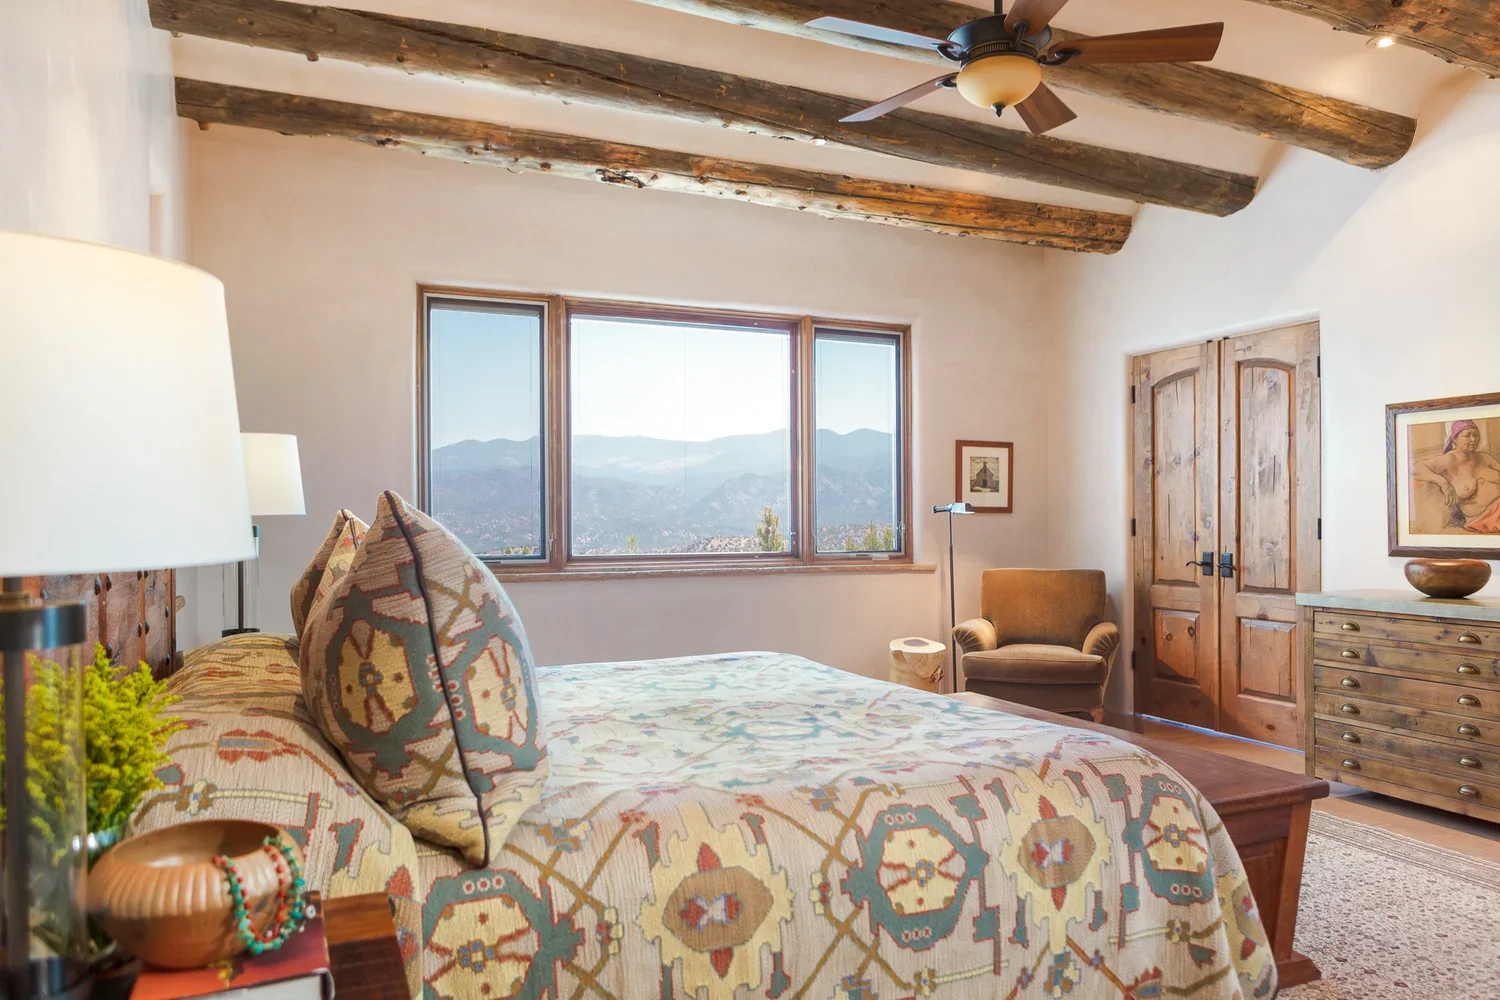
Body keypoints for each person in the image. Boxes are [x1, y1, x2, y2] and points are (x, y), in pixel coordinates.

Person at [1413, 419, 1500, 533]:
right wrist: (1442, 482)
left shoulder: (1485, 458)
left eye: (1476, 435)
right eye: (1467, 436)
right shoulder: (1449, 460)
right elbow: (1415, 468)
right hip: (1482, 520)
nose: (1473, 439)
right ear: (1454, 439)